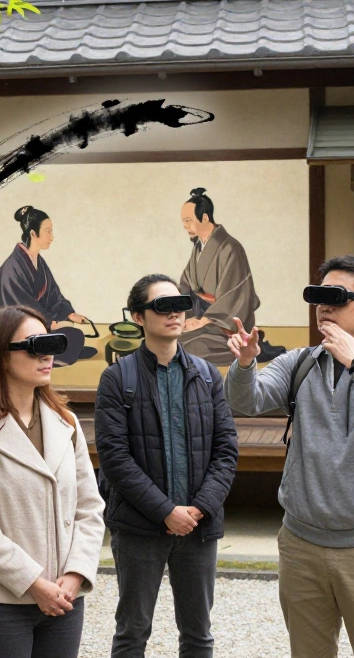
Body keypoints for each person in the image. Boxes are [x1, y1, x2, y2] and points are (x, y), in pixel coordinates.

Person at [226, 255, 354, 658]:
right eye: (318, 297)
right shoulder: (298, 363)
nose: (325, 307)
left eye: (336, 297)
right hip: (301, 543)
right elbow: (245, 401)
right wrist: (245, 363)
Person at [0, 305, 105, 658]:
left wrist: (75, 576)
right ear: (0, 356)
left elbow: (90, 509)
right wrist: (34, 583)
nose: (46, 354)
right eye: (34, 346)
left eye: (50, 343)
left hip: (65, 600)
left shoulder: (67, 423)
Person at [94, 275, 238, 658]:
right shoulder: (117, 378)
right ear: (138, 316)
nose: (174, 312)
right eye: (162, 305)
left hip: (198, 525)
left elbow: (226, 450)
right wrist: (165, 512)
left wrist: (200, 508)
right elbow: (114, 457)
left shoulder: (207, 375)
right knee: (132, 631)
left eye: (180, 304)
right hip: (141, 527)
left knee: (198, 634)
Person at [178, 187, 283, 365]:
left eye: (188, 221)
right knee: (171, 339)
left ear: (204, 218)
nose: (185, 226)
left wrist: (205, 320)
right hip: (202, 320)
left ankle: (247, 347)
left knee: (190, 349)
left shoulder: (230, 248)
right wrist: (186, 318)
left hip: (224, 326)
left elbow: (234, 294)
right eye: (183, 221)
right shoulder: (198, 248)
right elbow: (185, 285)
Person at [0, 206, 96, 360]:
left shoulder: (38, 261)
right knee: (70, 336)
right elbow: (22, 305)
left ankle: (61, 350)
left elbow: (53, 292)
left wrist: (69, 314)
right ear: (33, 233)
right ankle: (55, 354)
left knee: (73, 334)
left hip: (33, 324)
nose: (52, 237)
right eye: (48, 231)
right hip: (11, 330)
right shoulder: (12, 267)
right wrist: (50, 322)